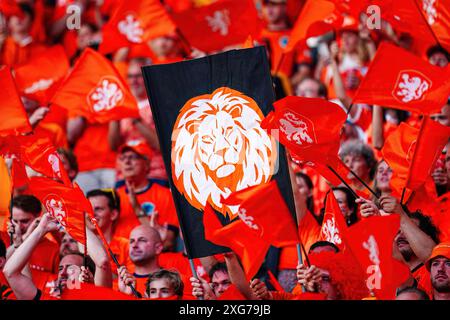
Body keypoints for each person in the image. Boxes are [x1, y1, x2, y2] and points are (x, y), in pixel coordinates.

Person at [3, 213, 112, 300]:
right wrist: (41, 229)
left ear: (87, 274)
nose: (62, 273)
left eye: (71, 269)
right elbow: (10, 272)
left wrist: (75, 221)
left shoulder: (96, 297)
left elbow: (102, 262)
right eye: (60, 269)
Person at [114, 141, 179, 250]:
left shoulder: (165, 195)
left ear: (147, 164)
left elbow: (168, 243)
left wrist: (137, 208)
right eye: (123, 158)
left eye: (133, 157)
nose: (127, 162)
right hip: (119, 259)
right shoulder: (114, 196)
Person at [6, 195, 59, 291]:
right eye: (14, 221)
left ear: (38, 218)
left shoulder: (53, 249)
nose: (19, 226)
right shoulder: (3, 238)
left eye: (24, 221)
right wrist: (24, 238)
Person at [86, 189, 132, 274]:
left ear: (113, 214)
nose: (92, 213)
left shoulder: (126, 247)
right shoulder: (74, 243)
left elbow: (133, 280)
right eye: (88, 208)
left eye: (98, 209)